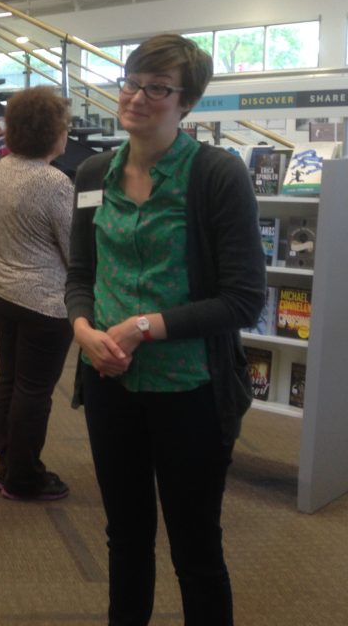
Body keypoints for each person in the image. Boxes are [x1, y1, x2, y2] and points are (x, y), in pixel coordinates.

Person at [65, 34, 266, 625]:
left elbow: (243, 299)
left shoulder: (215, 176)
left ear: (187, 102)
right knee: (125, 539)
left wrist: (143, 327)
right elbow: (80, 273)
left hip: (191, 391)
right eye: (131, 82)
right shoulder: (94, 172)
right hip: (109, 383)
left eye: (158, 88)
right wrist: (82, 329)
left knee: (195, 548)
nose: (137, 97)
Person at [0, 87, 73, 501]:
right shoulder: (54, 182)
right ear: (52, 132)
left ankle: (7, 463)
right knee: (34, 390)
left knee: (10, 378)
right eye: (65, 126)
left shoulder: (4, 167)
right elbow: (77, 254)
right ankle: (23, 476)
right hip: (43, 301)